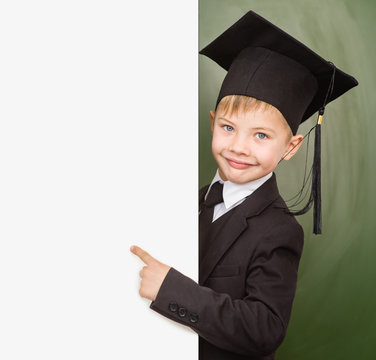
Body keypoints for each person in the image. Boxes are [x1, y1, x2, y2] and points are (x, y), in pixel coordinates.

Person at [130, 10, 358, 360]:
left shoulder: (279, 231)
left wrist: (171, 290)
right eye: (228, 127)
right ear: (212, 123)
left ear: (291, 147)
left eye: (261, 135)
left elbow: (265, 329)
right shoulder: (185, 203)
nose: (239, 146)